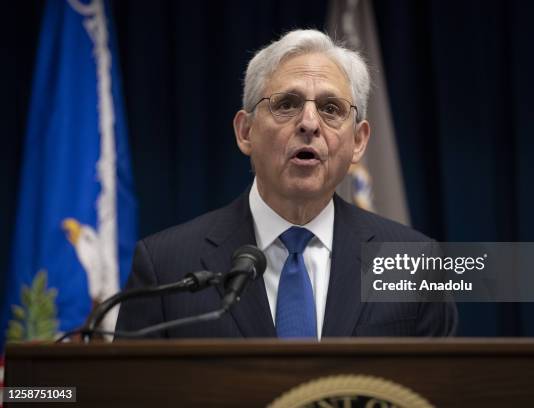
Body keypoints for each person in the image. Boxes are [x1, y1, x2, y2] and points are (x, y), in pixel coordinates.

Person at [116, 29, 457, 339]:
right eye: (286, 104)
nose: (309, 123)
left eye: (330, 108)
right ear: (245, 131)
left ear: (358, 141)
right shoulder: (166, 264)